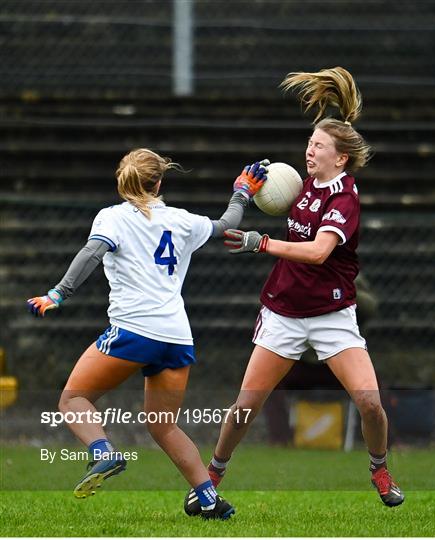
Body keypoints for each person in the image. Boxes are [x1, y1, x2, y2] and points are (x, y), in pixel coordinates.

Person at [184, 67, 404, 514]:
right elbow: (277, 194)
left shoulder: (345, 198)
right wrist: (250, 186)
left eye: (318, 146)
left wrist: (260, 242)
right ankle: (209, 479)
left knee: (370, 404)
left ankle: (379, 469)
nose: (309, 150)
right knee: (244, 409)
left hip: (331, 315)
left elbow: (320, 252)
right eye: (309, 143)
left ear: (340, 158)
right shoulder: (301, 187)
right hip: (283, 312)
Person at [27, 148, 268, 520]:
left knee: (73, 400)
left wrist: (57, 293)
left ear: (123, 183)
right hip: (176, 336)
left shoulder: (113, 217)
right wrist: (242, 191)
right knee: (163, 425)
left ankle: (104, 454)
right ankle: (208, 498)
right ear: (159, 181)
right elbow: (226, 224)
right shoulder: (182, 220)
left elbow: (92, 253)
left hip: (134, 331)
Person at [264, 273, 378, 446]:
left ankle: (380, 441)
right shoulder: (291, 271)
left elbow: (371, 306)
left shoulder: (345, 269)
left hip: (338, 360)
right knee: (266, 381)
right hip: (302, 361)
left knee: (372, 387)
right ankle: (281, 440)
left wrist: (341, 290)